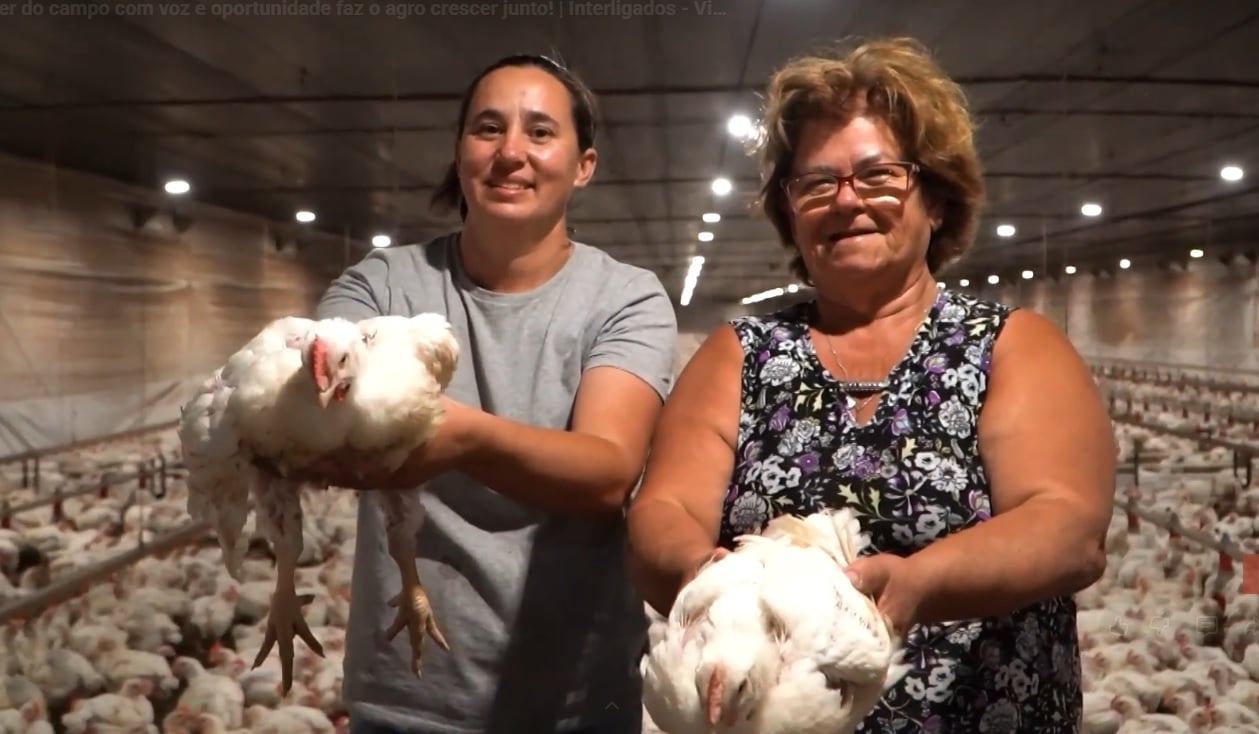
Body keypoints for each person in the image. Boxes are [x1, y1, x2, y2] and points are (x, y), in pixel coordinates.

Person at [625, 36, 1115, 733]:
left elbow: (1066, 526)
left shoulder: (1012, 346)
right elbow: (664, 506)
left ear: (936, 200)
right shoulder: (739, 355)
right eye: (815, 183)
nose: (845, 200)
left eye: (878, 175)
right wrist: (704, 577)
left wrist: (918, 583)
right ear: (790, 213)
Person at [313, 53, 678, 733]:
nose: (511, 151)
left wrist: (463, 438)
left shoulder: (625, 298)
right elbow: (326, 426)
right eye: (488, 128)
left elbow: (605, 472)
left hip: (577, 702)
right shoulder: (381, 285)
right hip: (408, 700)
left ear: (583, 165)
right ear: (459, 154)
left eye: (539, 132)